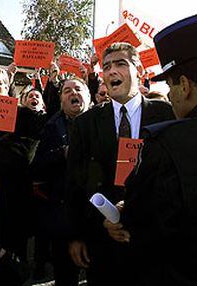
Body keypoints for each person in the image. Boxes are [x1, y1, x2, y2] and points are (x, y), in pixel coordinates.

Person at [65, 42, 174, 286]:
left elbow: (173, 178)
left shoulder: (166, 114)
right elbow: (74, 183)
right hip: (103, 246)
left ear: (139, 71)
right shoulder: (86, 123)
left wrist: (136, 213)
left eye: (121, 64)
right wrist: (76, 235)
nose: (112, 71)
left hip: (154, 243)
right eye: (106, 66)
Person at [103, 14, 197, 286]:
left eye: (169, 85)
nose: (169, 94)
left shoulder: (167, 141)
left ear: (185, 86)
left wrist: (125, 213)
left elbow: (146, 224)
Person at [31, 77, 91, 285]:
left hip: (96, 217)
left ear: (88, 96)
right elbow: (37, 166)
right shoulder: (50, 127)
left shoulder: (103, 123)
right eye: (67, 91)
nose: (73, 93)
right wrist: (61, 154)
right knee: (65, 275)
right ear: (61, 100)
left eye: (78, 88)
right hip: (63, 217)